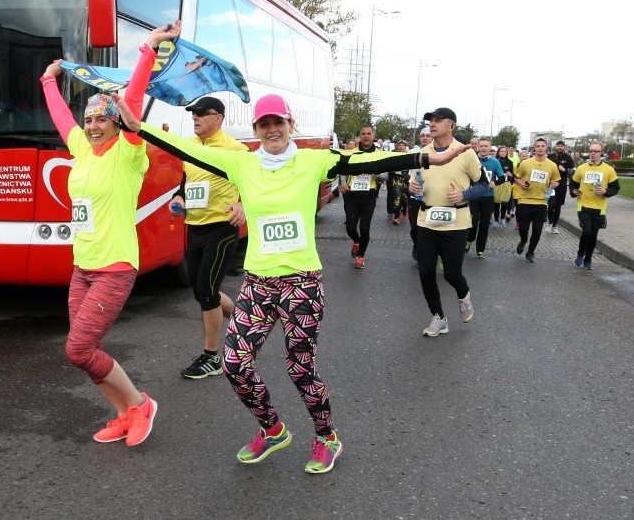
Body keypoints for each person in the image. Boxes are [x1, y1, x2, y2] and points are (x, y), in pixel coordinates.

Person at [115, 91, 469, 473]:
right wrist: (140, 128)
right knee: (234, 362)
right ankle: (272, 429)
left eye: (277, 123)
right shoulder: (241, 164)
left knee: (300, 368)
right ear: (256, 129)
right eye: (264, 124)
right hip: (258, 284)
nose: (271, 130)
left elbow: (366, 159)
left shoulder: (312, 161)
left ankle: (326, 437)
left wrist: (429, 157)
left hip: (301, 283)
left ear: (290, 126)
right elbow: (187, 148)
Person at [39, 22, 182, 446]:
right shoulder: (81, 147)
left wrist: (149, 49)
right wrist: (50, 81)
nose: (94, 124)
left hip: (114, 267)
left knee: (77, 349)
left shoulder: (128, 153)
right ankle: (124, 413)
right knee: (84, 351)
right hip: (82, 266)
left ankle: (141, 404)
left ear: (118, 123)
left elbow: (132, 97)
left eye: (103, 117)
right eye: (90, 118)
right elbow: (62, 116)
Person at [171, 96, 248, 379]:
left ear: (219, 118)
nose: (195, 117)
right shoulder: (189, 146)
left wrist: (242, 204)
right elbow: (185, 182)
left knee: (206, 288)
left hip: (222, 227)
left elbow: (253, 184)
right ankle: (244, 320)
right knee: (201, 288)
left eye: (202, 113)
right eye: (193, 113)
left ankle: (211, 357)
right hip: (195, 226)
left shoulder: (235, 150)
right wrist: (178, 198)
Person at [408, 107, 489, 337]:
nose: (432, 124)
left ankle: (464, 296)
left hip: (456, 223)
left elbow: (483, 185)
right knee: (425, 272)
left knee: (452, 275)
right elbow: (415, 183)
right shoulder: (423, 153)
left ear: (451, 126)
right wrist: (412, 188)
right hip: (426, 221)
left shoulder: (465, 153)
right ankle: (438, 318)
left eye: (437, 120)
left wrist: (465, 195)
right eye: (430, 121)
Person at [570, 141, 620, 270]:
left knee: (593, 235)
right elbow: (573, 183)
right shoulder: (582, 168)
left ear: (601, 153)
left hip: (600, 207)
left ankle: (588, 258)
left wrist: (605, 192)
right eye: (591, 151)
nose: (593, 153)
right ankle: (581, 253)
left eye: (596, 151)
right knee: (587, 231)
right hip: (583, 205)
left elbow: (615, 187)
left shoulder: (608, 170)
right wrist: (574, 191)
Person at [513, 137, 561, 263]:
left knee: (537, 230)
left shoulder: (552, 165)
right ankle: (523, 241)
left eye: (542, 146)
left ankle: (531, 252)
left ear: (546, 148)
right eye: (538, 146)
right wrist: (521, 183)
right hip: (525, 200)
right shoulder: (526, 163)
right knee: (523, 228)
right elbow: (516, 177)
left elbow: (556, 180)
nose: (540, 148)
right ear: (534, 148)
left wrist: (554, 184)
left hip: (541, 202)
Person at [339, 125, 380, 269]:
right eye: (363, 134)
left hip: (369, 194)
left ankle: (361, 256)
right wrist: (343, 183)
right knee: (350, 227)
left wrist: (378, 174)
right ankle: (356, 242)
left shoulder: (379, 154)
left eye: (369, 134)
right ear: (360, 137)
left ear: (373, 136)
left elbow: (387, 175)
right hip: (351, 194)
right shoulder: (351, 153)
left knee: (364, 227)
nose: (366, 136)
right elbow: (343, 171)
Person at [466, 138, 504, 258]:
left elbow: (502, 178)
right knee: (472, 223)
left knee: (484, 224)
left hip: (488, 197)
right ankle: (469, 240)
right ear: (477, 147)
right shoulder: (472, 160)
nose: (483, 148)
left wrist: (495, 183)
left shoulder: (495, 162)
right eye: (481, 146)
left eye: (485, 146)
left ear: (490, 148)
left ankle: (480, 249)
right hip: (474, 196)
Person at [407, 127, 433, 267]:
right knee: (415, 228)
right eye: (422, 135)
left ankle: (424, 255)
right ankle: (417, 246)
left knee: (429, 227)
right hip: (415, 194)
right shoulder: (412, 153)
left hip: (432, 196)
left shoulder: (438, 153)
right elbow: (405, 172)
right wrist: (410, 183)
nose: (425, 137)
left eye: (428, 135)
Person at [546, 139, 574, 234]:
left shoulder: (568, 158)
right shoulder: (550, 156)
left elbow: (572, 171)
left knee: (558, 206)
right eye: (558, 146)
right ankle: (550, 223)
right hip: (551, 185)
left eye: (562, 146)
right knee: (551, 204)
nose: (560, 147)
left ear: (564, 147)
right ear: (555, 147)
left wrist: (565, 170)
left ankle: (554, 225)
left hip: (562, 185)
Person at [493, 145, 515, 227]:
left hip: (506, 184)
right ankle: (495, 220)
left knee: (504, 203)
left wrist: (511, 175)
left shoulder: (510, 162)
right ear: (498, 153)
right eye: (501, 151)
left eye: (505, 151)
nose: (503, 153)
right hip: (497, 183)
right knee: (496, 203)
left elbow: (512, 175)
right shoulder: (494, 161)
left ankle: (502, 218)